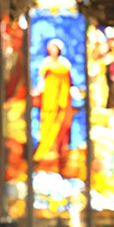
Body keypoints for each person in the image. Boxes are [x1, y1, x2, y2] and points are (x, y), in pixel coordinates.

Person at [32, 38, 75, 170]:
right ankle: (42, 156)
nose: (52, 51)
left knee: (59, 127)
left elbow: (69, 82)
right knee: (46, 127)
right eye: (51, 48)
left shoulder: (64, 64)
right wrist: (36, 91)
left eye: (55, 48)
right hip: (48, 101)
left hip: (61, 101)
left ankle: (57, 158)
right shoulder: (46, 63)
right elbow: (41, 82)